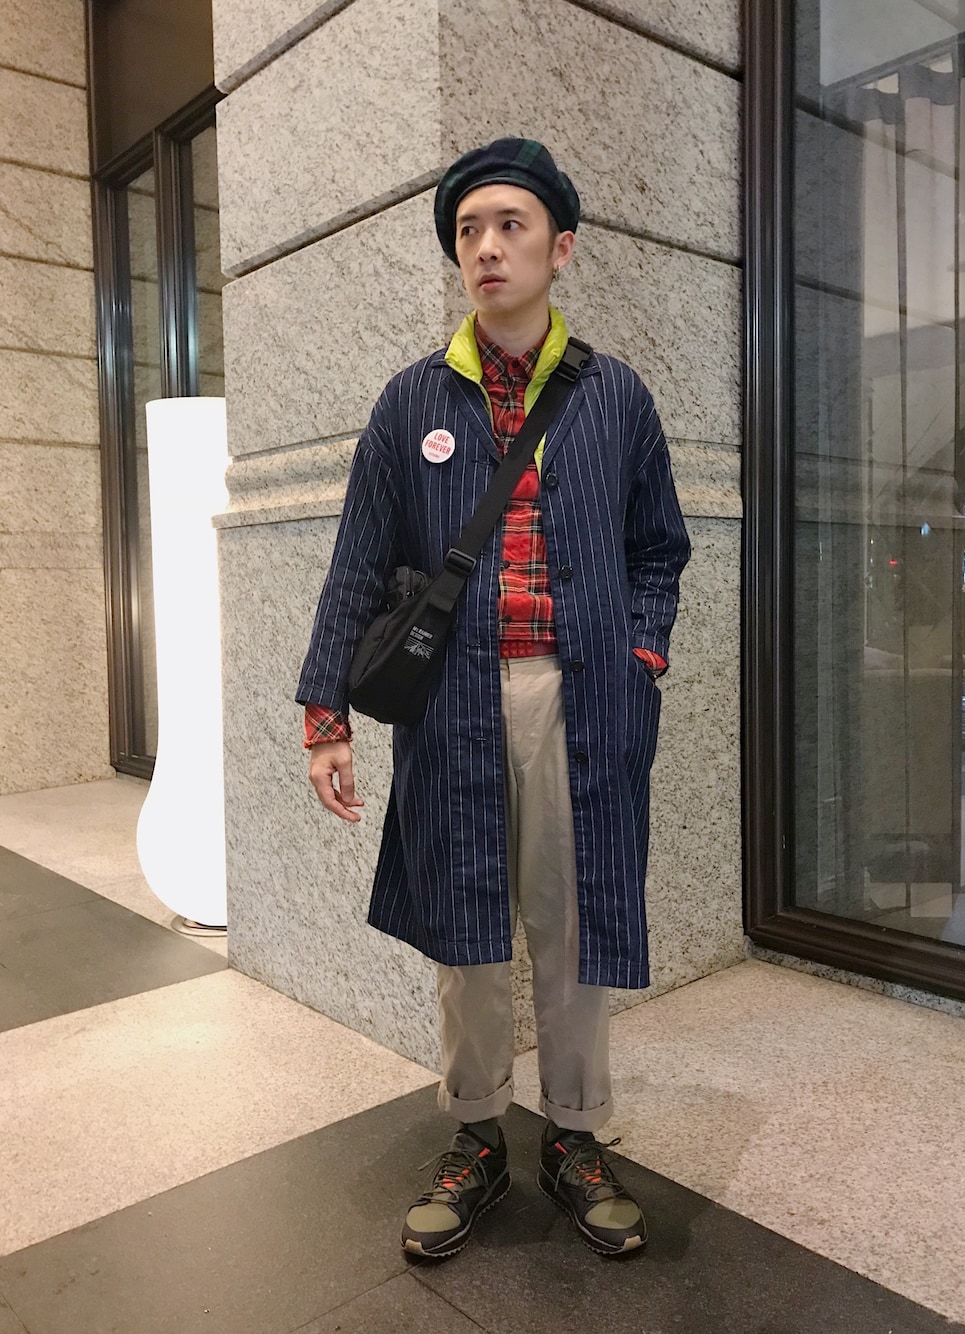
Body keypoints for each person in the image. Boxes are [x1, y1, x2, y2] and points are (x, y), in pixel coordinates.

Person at [297, 138, 690, 1259]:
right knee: (464, 926)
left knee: (572, 925)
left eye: (511, 225)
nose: (486, 246)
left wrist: (642, 655)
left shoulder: (615, 397)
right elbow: (359, 561)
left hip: (584, 701)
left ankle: (575, 1132)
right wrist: (325, 715)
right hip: (452, 705)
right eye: (468, 230)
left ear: (560, 248)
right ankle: (475, 1132)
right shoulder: (411, 401)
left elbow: (660, 548)